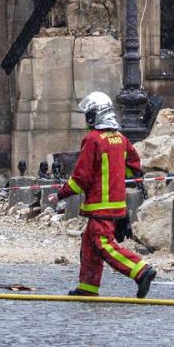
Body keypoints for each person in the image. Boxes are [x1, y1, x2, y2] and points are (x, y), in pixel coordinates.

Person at [56, 91, 156, 298]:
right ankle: (88, 287)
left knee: (103, 244)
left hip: (100, 204)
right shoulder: (121, 139)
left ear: (95, 115)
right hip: (116, 203)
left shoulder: (93, 139)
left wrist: (60, 194)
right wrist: (116, 179)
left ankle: (140, 270)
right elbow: (134, 166)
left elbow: (81, 176)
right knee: (90, 245)